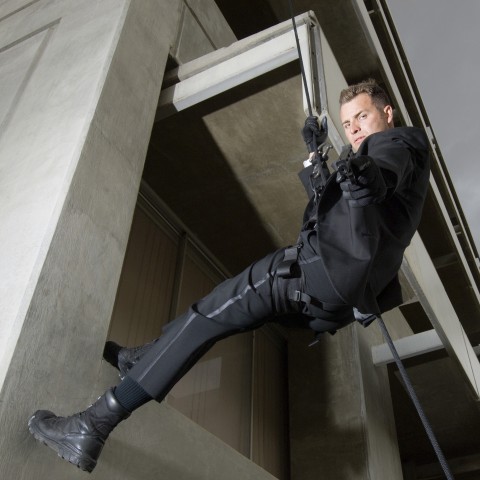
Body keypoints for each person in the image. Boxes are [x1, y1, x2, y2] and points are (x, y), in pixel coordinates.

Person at [28, 79, 430, 472]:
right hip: (330, 297)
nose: (355, 128)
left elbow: (379, 176)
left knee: (209, 316)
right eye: (348, 124)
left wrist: (368, 179)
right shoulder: (384, 155)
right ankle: (145, 357)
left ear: (387, 112)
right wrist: (315, 157)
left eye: (362, 116)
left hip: (310, 273)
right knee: (218, 313)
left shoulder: (396, 145)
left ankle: (92, 425)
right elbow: (343, 212)